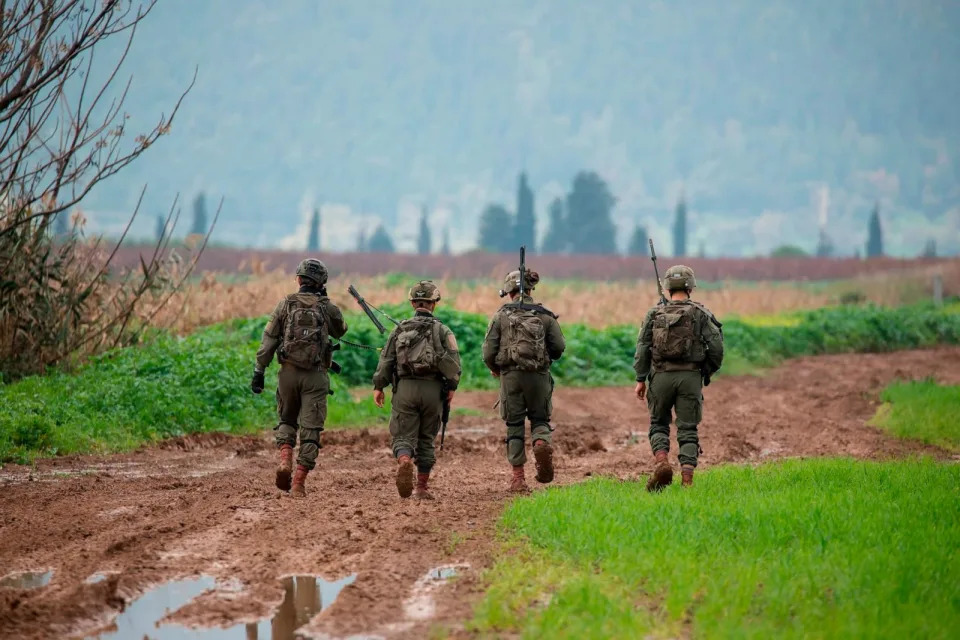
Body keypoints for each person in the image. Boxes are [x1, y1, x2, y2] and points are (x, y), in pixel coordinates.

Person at [251, 258, 348, 498]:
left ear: (299, 279)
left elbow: (268, 340)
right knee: (311, 429)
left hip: (288, 374)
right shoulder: (326, 306)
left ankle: (285, 459)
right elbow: (341, 330)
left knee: (286, 420)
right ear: (321, 282)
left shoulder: (285, 304)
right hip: (315, 377)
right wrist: (325, 300)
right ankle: (298, 483)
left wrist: (259, 371)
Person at [633, 265, 723, 490]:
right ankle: (687, 482)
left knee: (658, 423)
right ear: (691, 287)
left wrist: (640, 379)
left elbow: (643, 347)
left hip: (661, 376)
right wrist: (705, 372)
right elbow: (717, 347)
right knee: (688, 429)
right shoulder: (701, 313)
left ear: (667, 287)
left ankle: (662, 462)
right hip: (690, 377)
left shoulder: (654, 313)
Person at [372, 281, 461, 499]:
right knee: (426, 438)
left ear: (412, 302)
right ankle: (421, 488)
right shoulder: (443, 330)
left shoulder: (399, 329)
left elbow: (386, 361)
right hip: (433, 391)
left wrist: (379, 386)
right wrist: (451, 388)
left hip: (405, 389)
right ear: (434, 304)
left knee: (403, 435)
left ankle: (404, 461)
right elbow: (454, 363)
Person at [482, 269, 565, 492]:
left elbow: (488, 352)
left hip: (511, 377)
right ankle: (540, 444)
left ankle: (518, 479)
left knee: (514, 425)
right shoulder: (545, 315)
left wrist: (496, 369)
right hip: (539, 377)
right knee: (540, 420)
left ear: (509, 292)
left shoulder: (501, 316)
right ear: (531, 289)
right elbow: (559, 348)